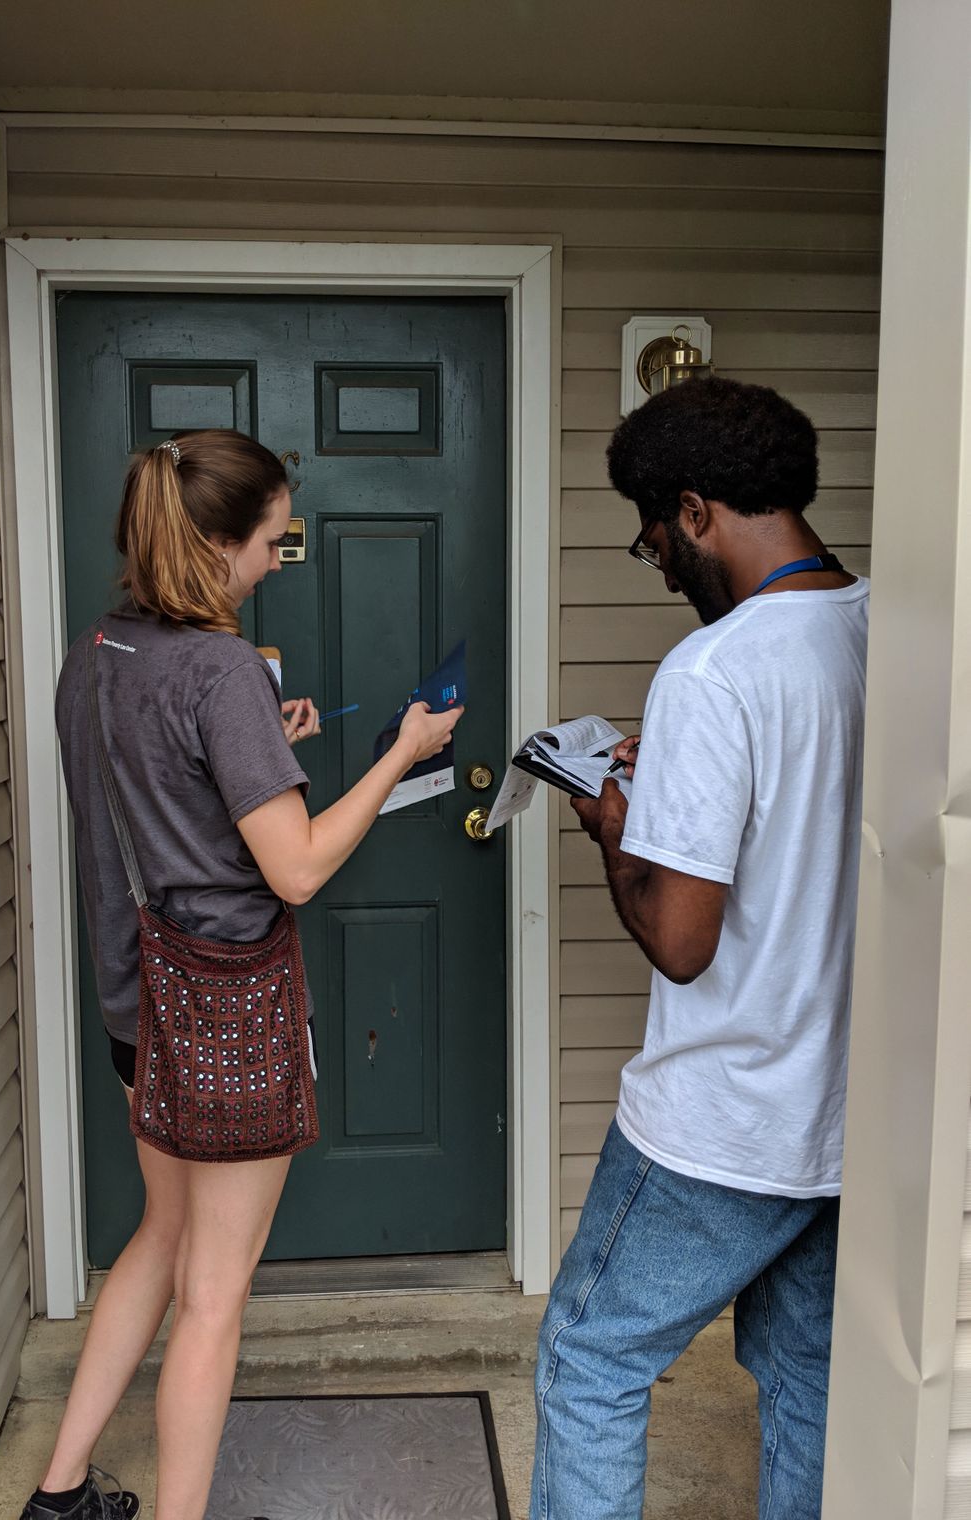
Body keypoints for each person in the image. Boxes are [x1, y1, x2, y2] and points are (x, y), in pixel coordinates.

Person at [22, 429, 463, 1520]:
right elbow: (298, 868)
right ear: (218, 542)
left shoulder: (99, 650)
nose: (276, 559)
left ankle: (59, 1491)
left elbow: (151, 784)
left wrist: (260, 740)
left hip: (140, 1007)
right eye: (271, 539)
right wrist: (402, 753)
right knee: (213, 1295)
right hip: (222, 1012)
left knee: (159, 1238)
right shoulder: (219, 669)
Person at [530, 377, 868, 1520]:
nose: (661, 567)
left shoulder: (716, 671)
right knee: (808, 1379)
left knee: (589, 1360)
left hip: (724, 1121)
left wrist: (619, 835)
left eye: (652, 541)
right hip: (848, 1124)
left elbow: (682, 941)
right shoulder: (888, 631)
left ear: (693, 510)